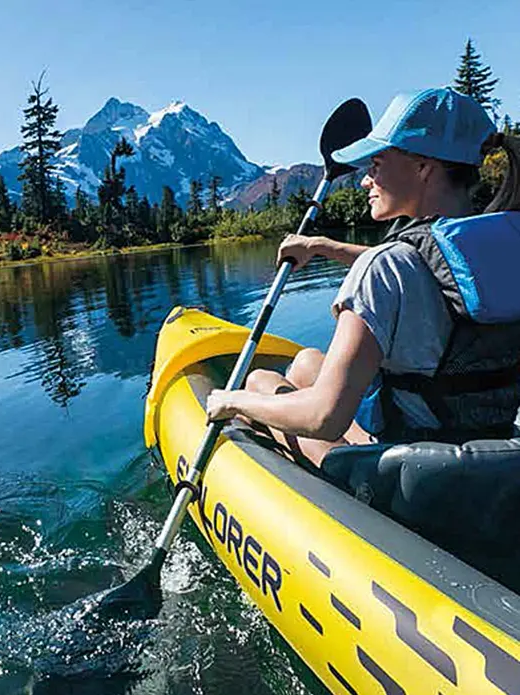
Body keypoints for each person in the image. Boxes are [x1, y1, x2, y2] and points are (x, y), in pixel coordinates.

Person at [206, 87, 520, 468]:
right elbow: (432, 271)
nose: (364, 181)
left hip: (405, 478)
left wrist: (230, 400)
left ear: (423, 167)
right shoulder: (500, 249)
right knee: (306, 362)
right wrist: (324, 246)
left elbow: (324, 418)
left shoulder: (383, 271)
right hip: (490, 460)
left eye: (376, 165)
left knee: (258, 383)